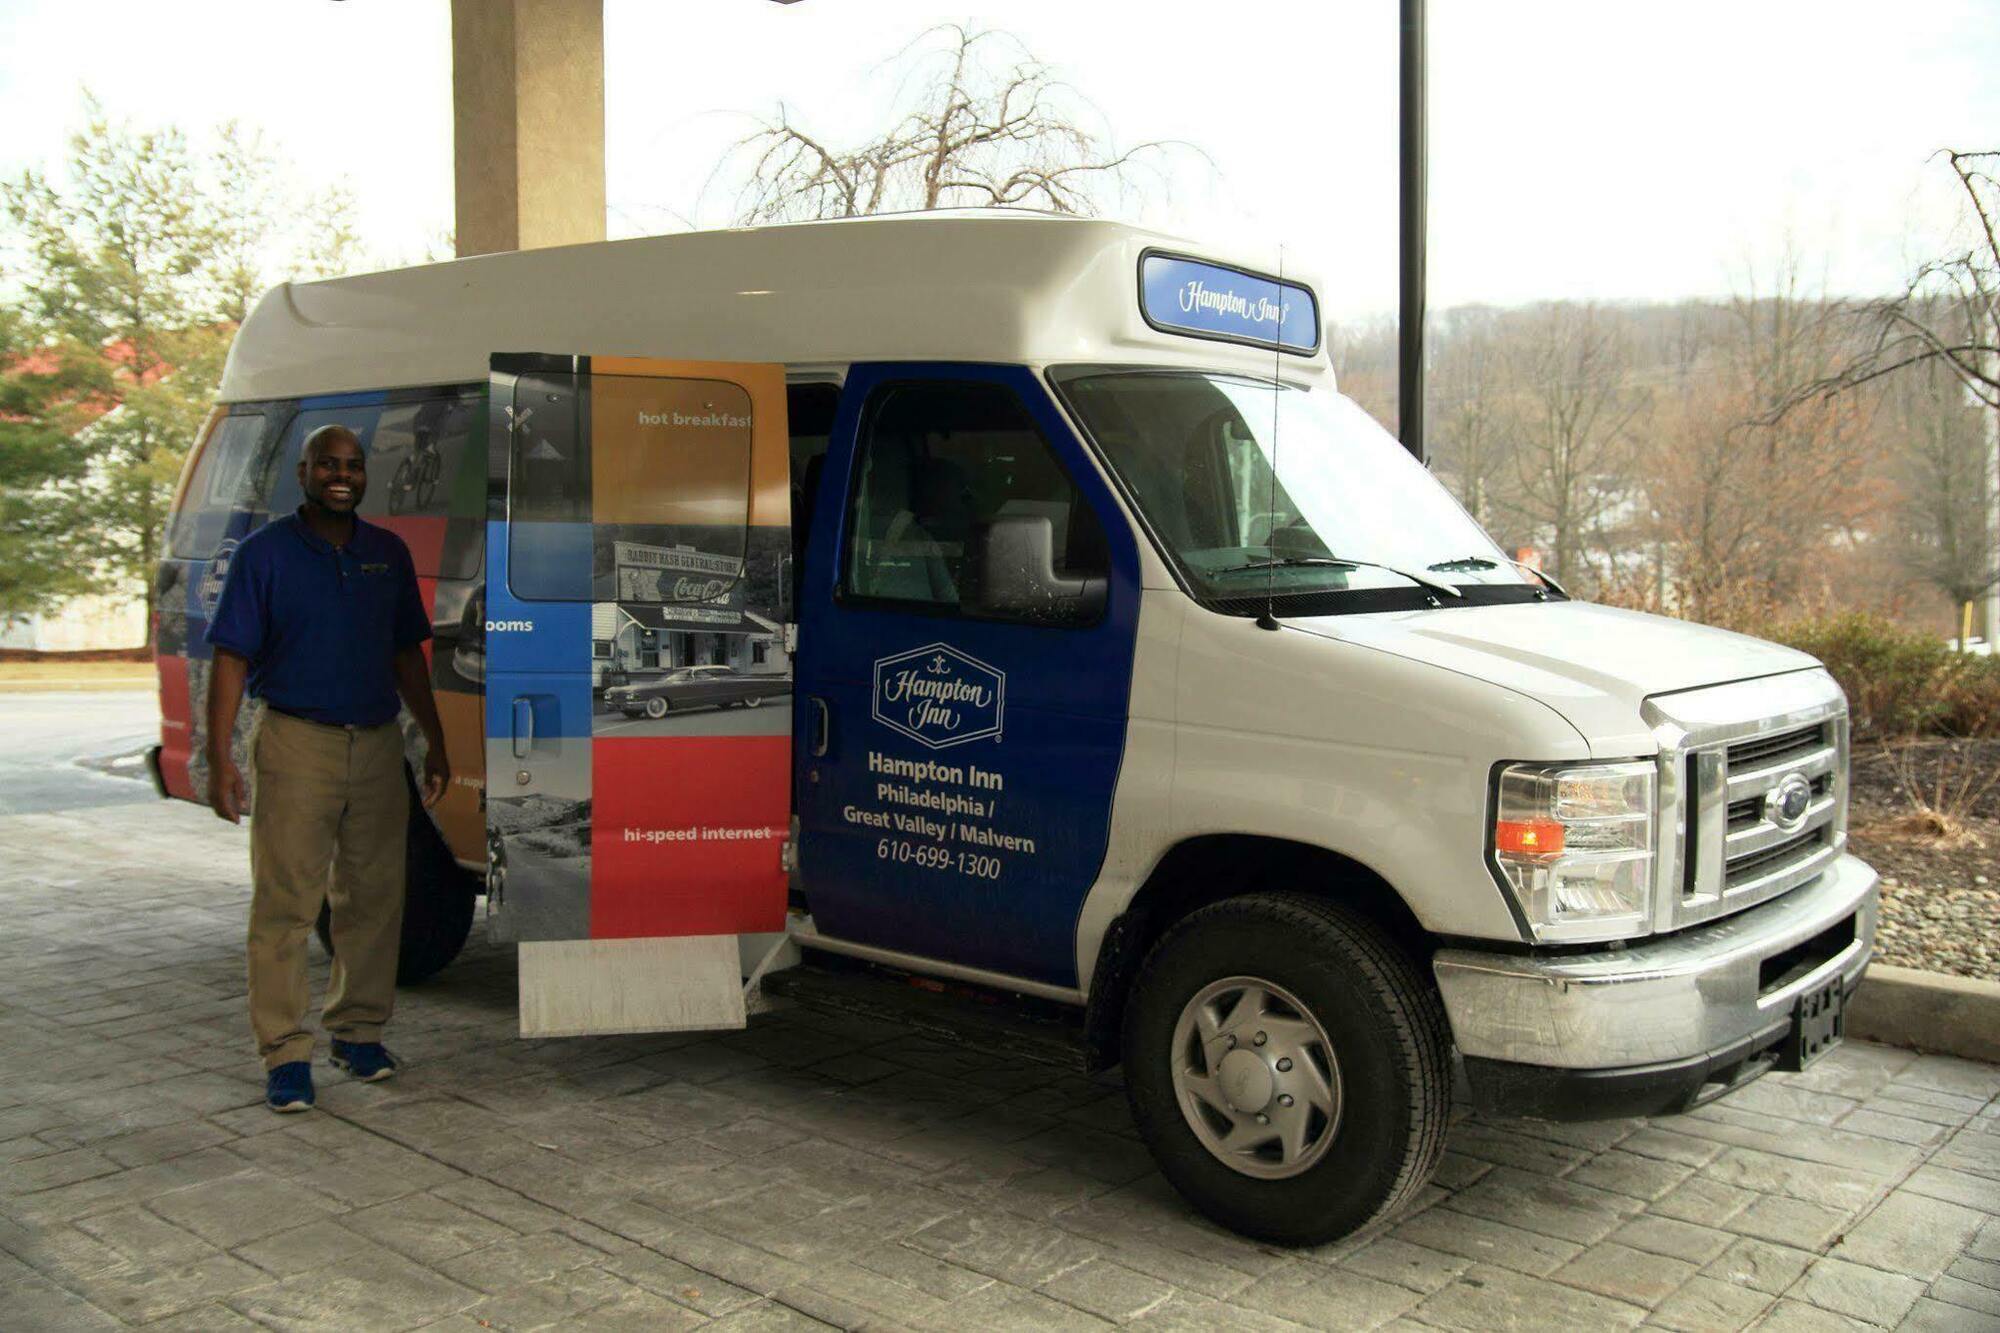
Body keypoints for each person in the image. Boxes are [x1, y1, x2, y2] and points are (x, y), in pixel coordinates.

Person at [204, 423, 449, 1113]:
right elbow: (231, 658)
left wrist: (433, 737)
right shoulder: (264, 555)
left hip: (375, 743)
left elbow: (408, 655)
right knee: (286, 902)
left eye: (353, 465)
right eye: (327, 464)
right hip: (295, 741)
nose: (342, 475)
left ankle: (358, 1031)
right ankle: (285, 1052)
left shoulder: (387, 553)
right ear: (304, 472)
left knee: (373, 897)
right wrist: (219, 755)